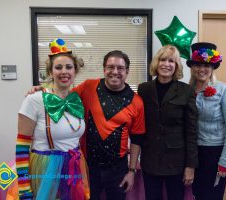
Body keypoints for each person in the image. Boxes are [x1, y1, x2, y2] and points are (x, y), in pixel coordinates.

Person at [28, 50, 146, 200]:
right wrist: (42, 89)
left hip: (118, 169)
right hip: (87, 167)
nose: (115, 72)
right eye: (110, 67)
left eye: (120, 68)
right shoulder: (89, 86)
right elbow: (62, 95)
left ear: (127, 71)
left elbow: (136, 139)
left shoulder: (136, 102)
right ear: (104, 69)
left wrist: (132, 171)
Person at [13, 38, 89, 199]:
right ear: (50, 72)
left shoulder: (76, 100)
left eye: (69, 67)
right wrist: (24, 187)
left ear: (75, 71)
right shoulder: (34, 99)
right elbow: (21, 146)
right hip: (46, 169)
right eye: (58, 67)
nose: (64, 71)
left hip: (74, 166)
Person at [137, 45, 198, 200]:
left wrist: (190, 166)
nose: (166, 64)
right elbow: (139, 124)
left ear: (176, 66)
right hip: (150, 159)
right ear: (156, 63)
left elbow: (191, 131)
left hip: (176, 161)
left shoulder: (186, 91)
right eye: (162, 59)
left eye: (171, 61)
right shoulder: (144, 89)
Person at [187, 42, 226, 200]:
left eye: (206, 65)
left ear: (213, 67)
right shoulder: (186, 91)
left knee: (212, 196)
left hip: (215, 154)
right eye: (197, 64)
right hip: (193, 154)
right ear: (192, 67)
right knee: (196, 194)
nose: (201, 69)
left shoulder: (223, 90)